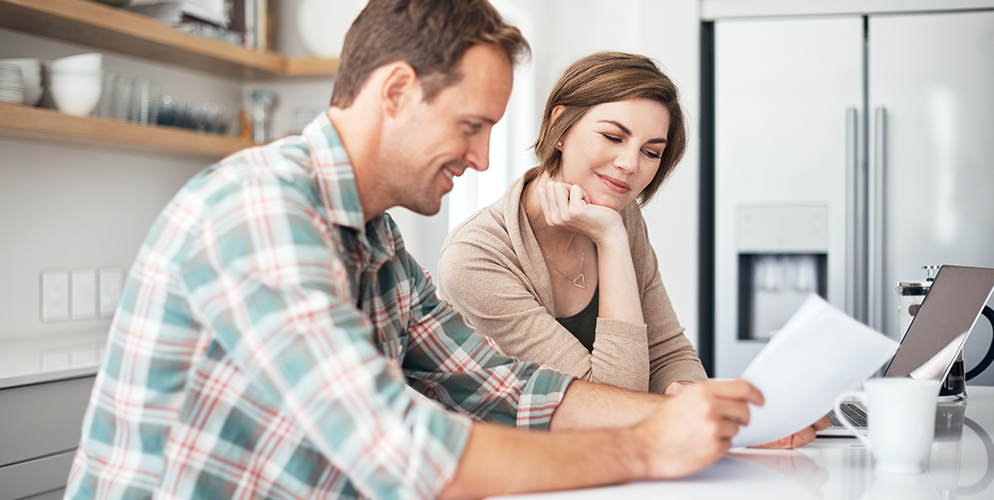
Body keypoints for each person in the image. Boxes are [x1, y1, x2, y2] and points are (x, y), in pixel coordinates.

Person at [65, 2, 824, 499]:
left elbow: (501, 386)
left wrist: (714, 421)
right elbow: (401, 449)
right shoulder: (259, 213)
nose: (487, 158)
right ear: (395, 91)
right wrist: (649, 447)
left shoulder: (376, 239)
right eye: (471, 125)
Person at [438, 52, 704, 395]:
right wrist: (610, 239)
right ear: (558, 127)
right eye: (612, 137)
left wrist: (689, 396)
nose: (629, 164)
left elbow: (668, 352)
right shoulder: (474, 258)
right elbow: (611, 402)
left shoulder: (622, 216)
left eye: (651, 152)